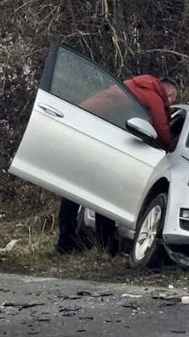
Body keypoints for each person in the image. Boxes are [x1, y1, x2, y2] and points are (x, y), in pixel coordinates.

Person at [56, 75, 179, 254]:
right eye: (171, 97)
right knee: (104, 191)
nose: (170, 101)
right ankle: (101, 244)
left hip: (83, 125)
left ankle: (69, 241)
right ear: (165, 90)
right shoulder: (152, 95)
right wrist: (169, 148)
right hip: (97, 134)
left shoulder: (132, 86)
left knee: (76, 188)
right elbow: (161, 128)